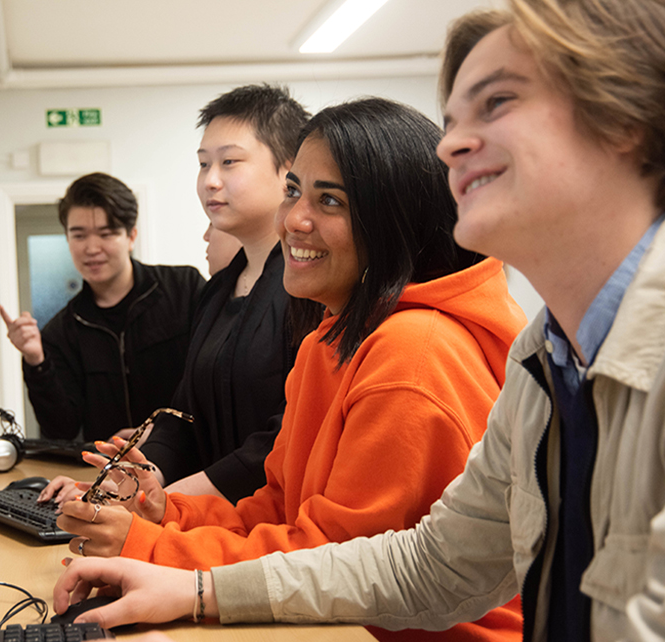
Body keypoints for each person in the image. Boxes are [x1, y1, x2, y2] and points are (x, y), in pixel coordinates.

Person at [51, 0, 665, 639]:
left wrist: (165, 554)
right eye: (453, 120)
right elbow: (432, 565)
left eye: (498, 104)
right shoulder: (547, 353)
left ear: (622, 121)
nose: (451, 145)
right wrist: (178, 549)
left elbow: (352, 551)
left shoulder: (418, 349)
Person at [54, 97, 527, 642]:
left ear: (394, 218)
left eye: (330, 201)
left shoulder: (412, 353)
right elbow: (280, 506)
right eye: (294, 192)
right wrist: (169, 514)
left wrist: (153, 548)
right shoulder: (329, 337)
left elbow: (335, 562)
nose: (295, 220)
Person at [42, 85, 311, 503]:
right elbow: (183, 417)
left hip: (276, 521)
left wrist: (169, 499)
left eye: (229, 162)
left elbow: (287, 433)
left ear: (289, 171)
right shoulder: (218, 291)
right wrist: (123, 484)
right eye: (204, 164)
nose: (210, 180)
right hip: (212, 521)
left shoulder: (310, 290)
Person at [0, 172, 205, 442]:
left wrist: (166, 435)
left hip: (190, 457)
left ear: (131, 236)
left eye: (106, 234)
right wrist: (36, 361)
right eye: (79, 235)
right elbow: (60, 430)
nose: (92, 248)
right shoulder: (60, 332)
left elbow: (215, 376)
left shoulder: (184, 288)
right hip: (109, 465)